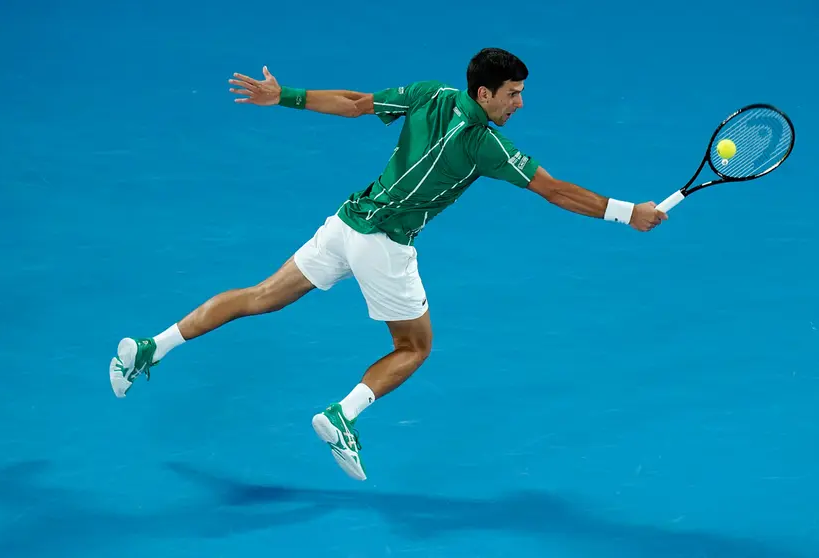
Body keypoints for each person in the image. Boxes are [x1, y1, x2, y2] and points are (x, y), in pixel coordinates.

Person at [109, 47, 667, 482]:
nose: (519, 104)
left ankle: (152, 346)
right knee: (415, 348)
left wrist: (284, 97)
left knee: (259, 295)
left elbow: (355, 102)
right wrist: (627, 213)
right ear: (485, 92)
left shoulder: (432, 93)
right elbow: (556, 191)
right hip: (385, 244)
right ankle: (342, 415)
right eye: (513, 94)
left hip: (345, 222)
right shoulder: (485, 143)